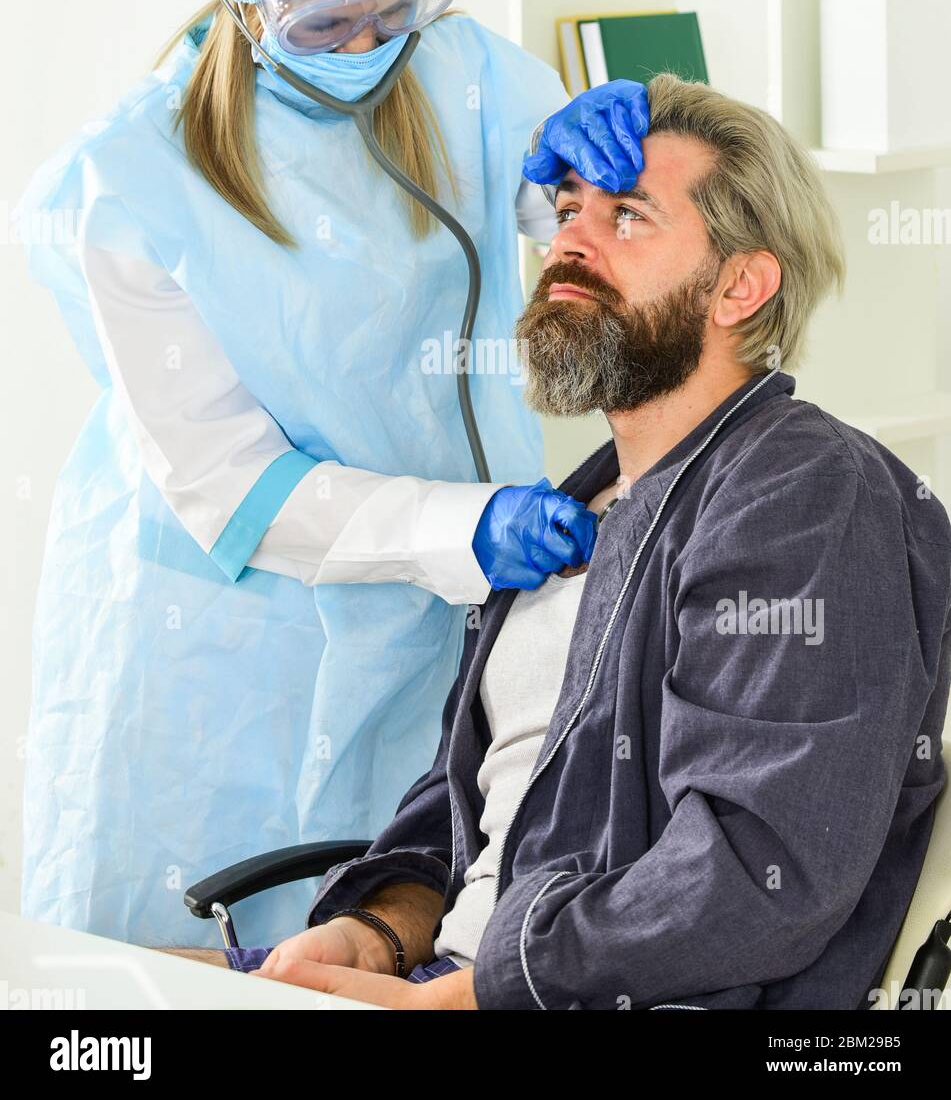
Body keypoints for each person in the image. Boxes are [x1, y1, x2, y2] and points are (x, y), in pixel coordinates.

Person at [14, 0, 651, 947]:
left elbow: (565, 213)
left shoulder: (460, 72)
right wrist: (464, 529)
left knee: (397, 911)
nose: (367, 46)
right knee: (206, 954)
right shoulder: (131, 183)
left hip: (441, 607)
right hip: (220, 644)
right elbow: (236, 488)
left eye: (394, 7)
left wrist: (588, 163)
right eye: (326, 26)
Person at [180, 74, 951, 1008]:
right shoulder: (584, 505)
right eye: (565, 208)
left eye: (625, 215)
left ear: (740, 286)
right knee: (80, 988)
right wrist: (378, 931)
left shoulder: (803, 493)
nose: (567, 246)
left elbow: (760, 870)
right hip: (450, 977)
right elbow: (473, 804)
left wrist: (459, 997)